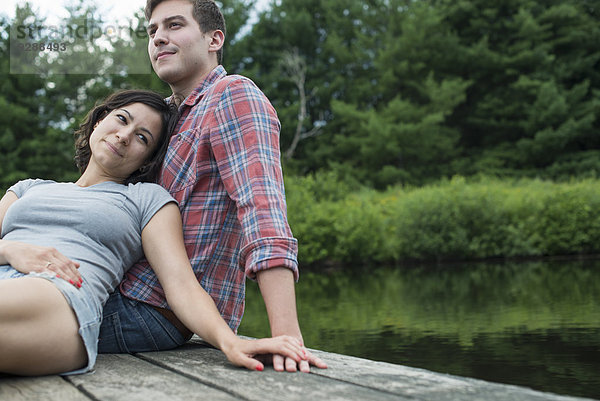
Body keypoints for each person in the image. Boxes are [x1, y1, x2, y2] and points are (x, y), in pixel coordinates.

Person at [0, 89, 306, 376]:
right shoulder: (29, 188)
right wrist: (12, 250)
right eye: (121, 119)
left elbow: (182, 286)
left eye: (142, 138)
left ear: (147, 159)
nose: (123, 137)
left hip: (59, 297)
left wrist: (230, 342)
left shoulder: (147, 198)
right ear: (98, 121)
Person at [96, 0, 326, 373]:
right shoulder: (164, 119)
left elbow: (261, 207)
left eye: (174, 26)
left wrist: (287, 337)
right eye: (152, 31)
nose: (158, 39)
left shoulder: (232, 96)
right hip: (118, 290)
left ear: (214, 38)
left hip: (151, 308)